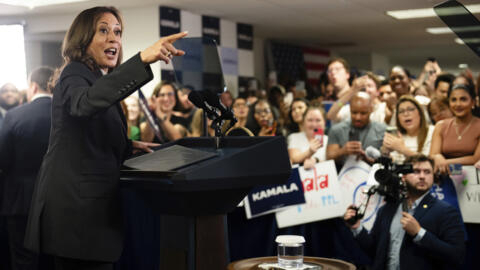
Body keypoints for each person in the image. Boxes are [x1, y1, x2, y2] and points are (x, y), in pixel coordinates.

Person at [24, 6, 187, 270]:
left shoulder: (96, 79)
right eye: (103, 30)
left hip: (89, 219)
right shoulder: (75, 72)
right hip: (77, 220)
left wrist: (128, 145)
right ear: (83, 39)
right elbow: (83, 105)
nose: (114, 38)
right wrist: (143, 58)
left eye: (118, 32)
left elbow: (84, 133)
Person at [343, 154, 465, 270]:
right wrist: (357, 227)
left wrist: (420, 234)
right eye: (416, 171)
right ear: (404, 176)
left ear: (433, 177)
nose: (422, 176)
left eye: (427, 172)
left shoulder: (446, 212)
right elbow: (374, 251)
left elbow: (456, 255)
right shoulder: (387, 209)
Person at [0, 66, 54, 270]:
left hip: (20, 200)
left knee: (23, 260)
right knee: (52, 260)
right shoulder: (66, 116)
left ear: (32, 86)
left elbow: (3, 160)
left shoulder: (14, 116)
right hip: (56, 200)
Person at [430, 83, 480, 174]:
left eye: (463, 99)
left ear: (473, 102)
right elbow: (433, 155)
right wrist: (437, 157)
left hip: (475, 177)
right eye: (453, 100)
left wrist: (445, 162)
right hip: (445, 176)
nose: (458, 104)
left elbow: (475, 159)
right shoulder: (440, 126)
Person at [327, 92, 386, 169]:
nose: (358, 117)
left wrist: (370, 159)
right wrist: (342, 151)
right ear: (350, 109)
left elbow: (388, 160)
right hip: (343, 175)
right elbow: (329, 158)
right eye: (354, 112)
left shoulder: (382, 130)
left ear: (371, 110)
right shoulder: (337, 130)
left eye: (363, 113)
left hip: (373, 175)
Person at [383, 95, 434, 164]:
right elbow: (393, 161)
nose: (406, 114)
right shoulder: (397, 135)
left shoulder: (432, 131)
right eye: (401, 111)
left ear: (420, 113)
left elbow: (430, 163)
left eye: (410, 109)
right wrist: (386, 152)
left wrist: (402, 149)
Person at [288, 105, 328, 169]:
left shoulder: (328, 139)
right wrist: (310, 151)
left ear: (324, 122)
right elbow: (294, 158)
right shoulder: (294, 137)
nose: (314, 124)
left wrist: (316, 160)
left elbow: (332, 161)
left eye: (318, 120)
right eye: (310, 120)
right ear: (303, 122)